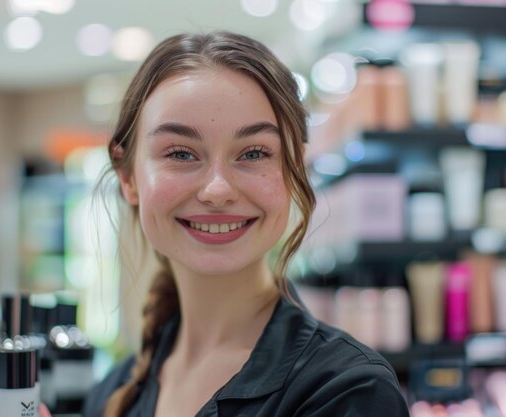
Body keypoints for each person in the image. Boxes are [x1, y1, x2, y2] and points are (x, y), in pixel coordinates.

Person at [82, 31, 409, 417]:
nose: (217, 190)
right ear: (129, 179)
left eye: (254, 153)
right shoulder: (112, 392)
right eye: (181, 153)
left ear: (295, 169)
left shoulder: (347, 392)